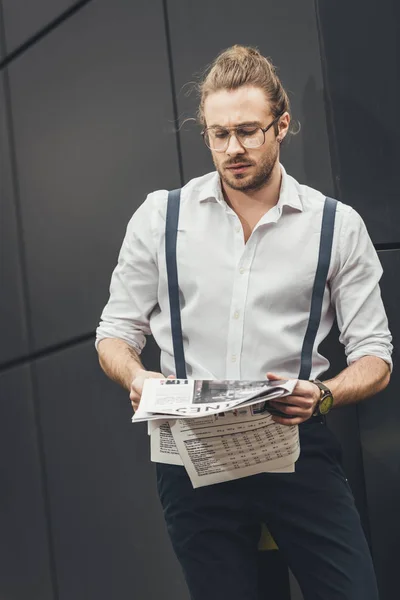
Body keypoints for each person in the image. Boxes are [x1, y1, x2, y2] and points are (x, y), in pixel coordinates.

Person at [95, 45, 392, 600]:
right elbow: (115, 332)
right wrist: (138, 378)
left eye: (249, 131)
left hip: (295, 451)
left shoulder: (336, 226)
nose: (233, 149)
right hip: (190, 460)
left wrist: (323, 395)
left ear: (283, 126)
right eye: (218, 134)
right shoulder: (161, 217)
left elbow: (376, 356)